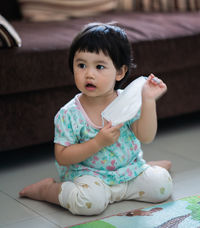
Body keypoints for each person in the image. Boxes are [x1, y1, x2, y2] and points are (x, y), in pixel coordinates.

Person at [19, 23, 173, 215]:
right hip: (89, 175)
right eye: (81, 65)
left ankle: (148, 169)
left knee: (162, 187)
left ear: (120, 72)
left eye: (99, 66)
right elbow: (62, 156)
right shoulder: (69, 114)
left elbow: (146, 137)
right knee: (88, 204)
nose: (89, 74)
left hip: (128, 170)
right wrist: (98, 142)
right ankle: (47, 190)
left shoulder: (127, 101)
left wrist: (148, 101)